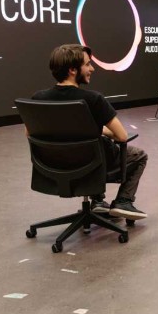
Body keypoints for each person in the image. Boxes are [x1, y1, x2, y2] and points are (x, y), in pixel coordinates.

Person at [31, 44, 148, 220]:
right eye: (87, 64)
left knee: (88, 147)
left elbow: (30, 133)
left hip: (53, 165)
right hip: (91, 165)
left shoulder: (38, 99)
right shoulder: (93, 100)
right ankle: (123, 201)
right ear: (72, 70)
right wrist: (102, 130)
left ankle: (98, 201)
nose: (92, 69)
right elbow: (122, 136)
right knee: (139, 155)